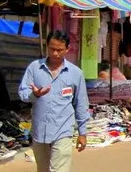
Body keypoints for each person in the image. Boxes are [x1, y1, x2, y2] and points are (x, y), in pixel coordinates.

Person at [18, 30, 90, 172]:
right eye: (52, 49)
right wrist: (34, 95)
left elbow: (81, 104)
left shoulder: (76, 73)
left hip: (63, 131)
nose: (55, 53)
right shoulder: (34, 68)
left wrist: (83, 133)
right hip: (39, 132)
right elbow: (22, 92)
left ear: (67, 49)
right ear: (47, 46)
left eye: (59, 50)